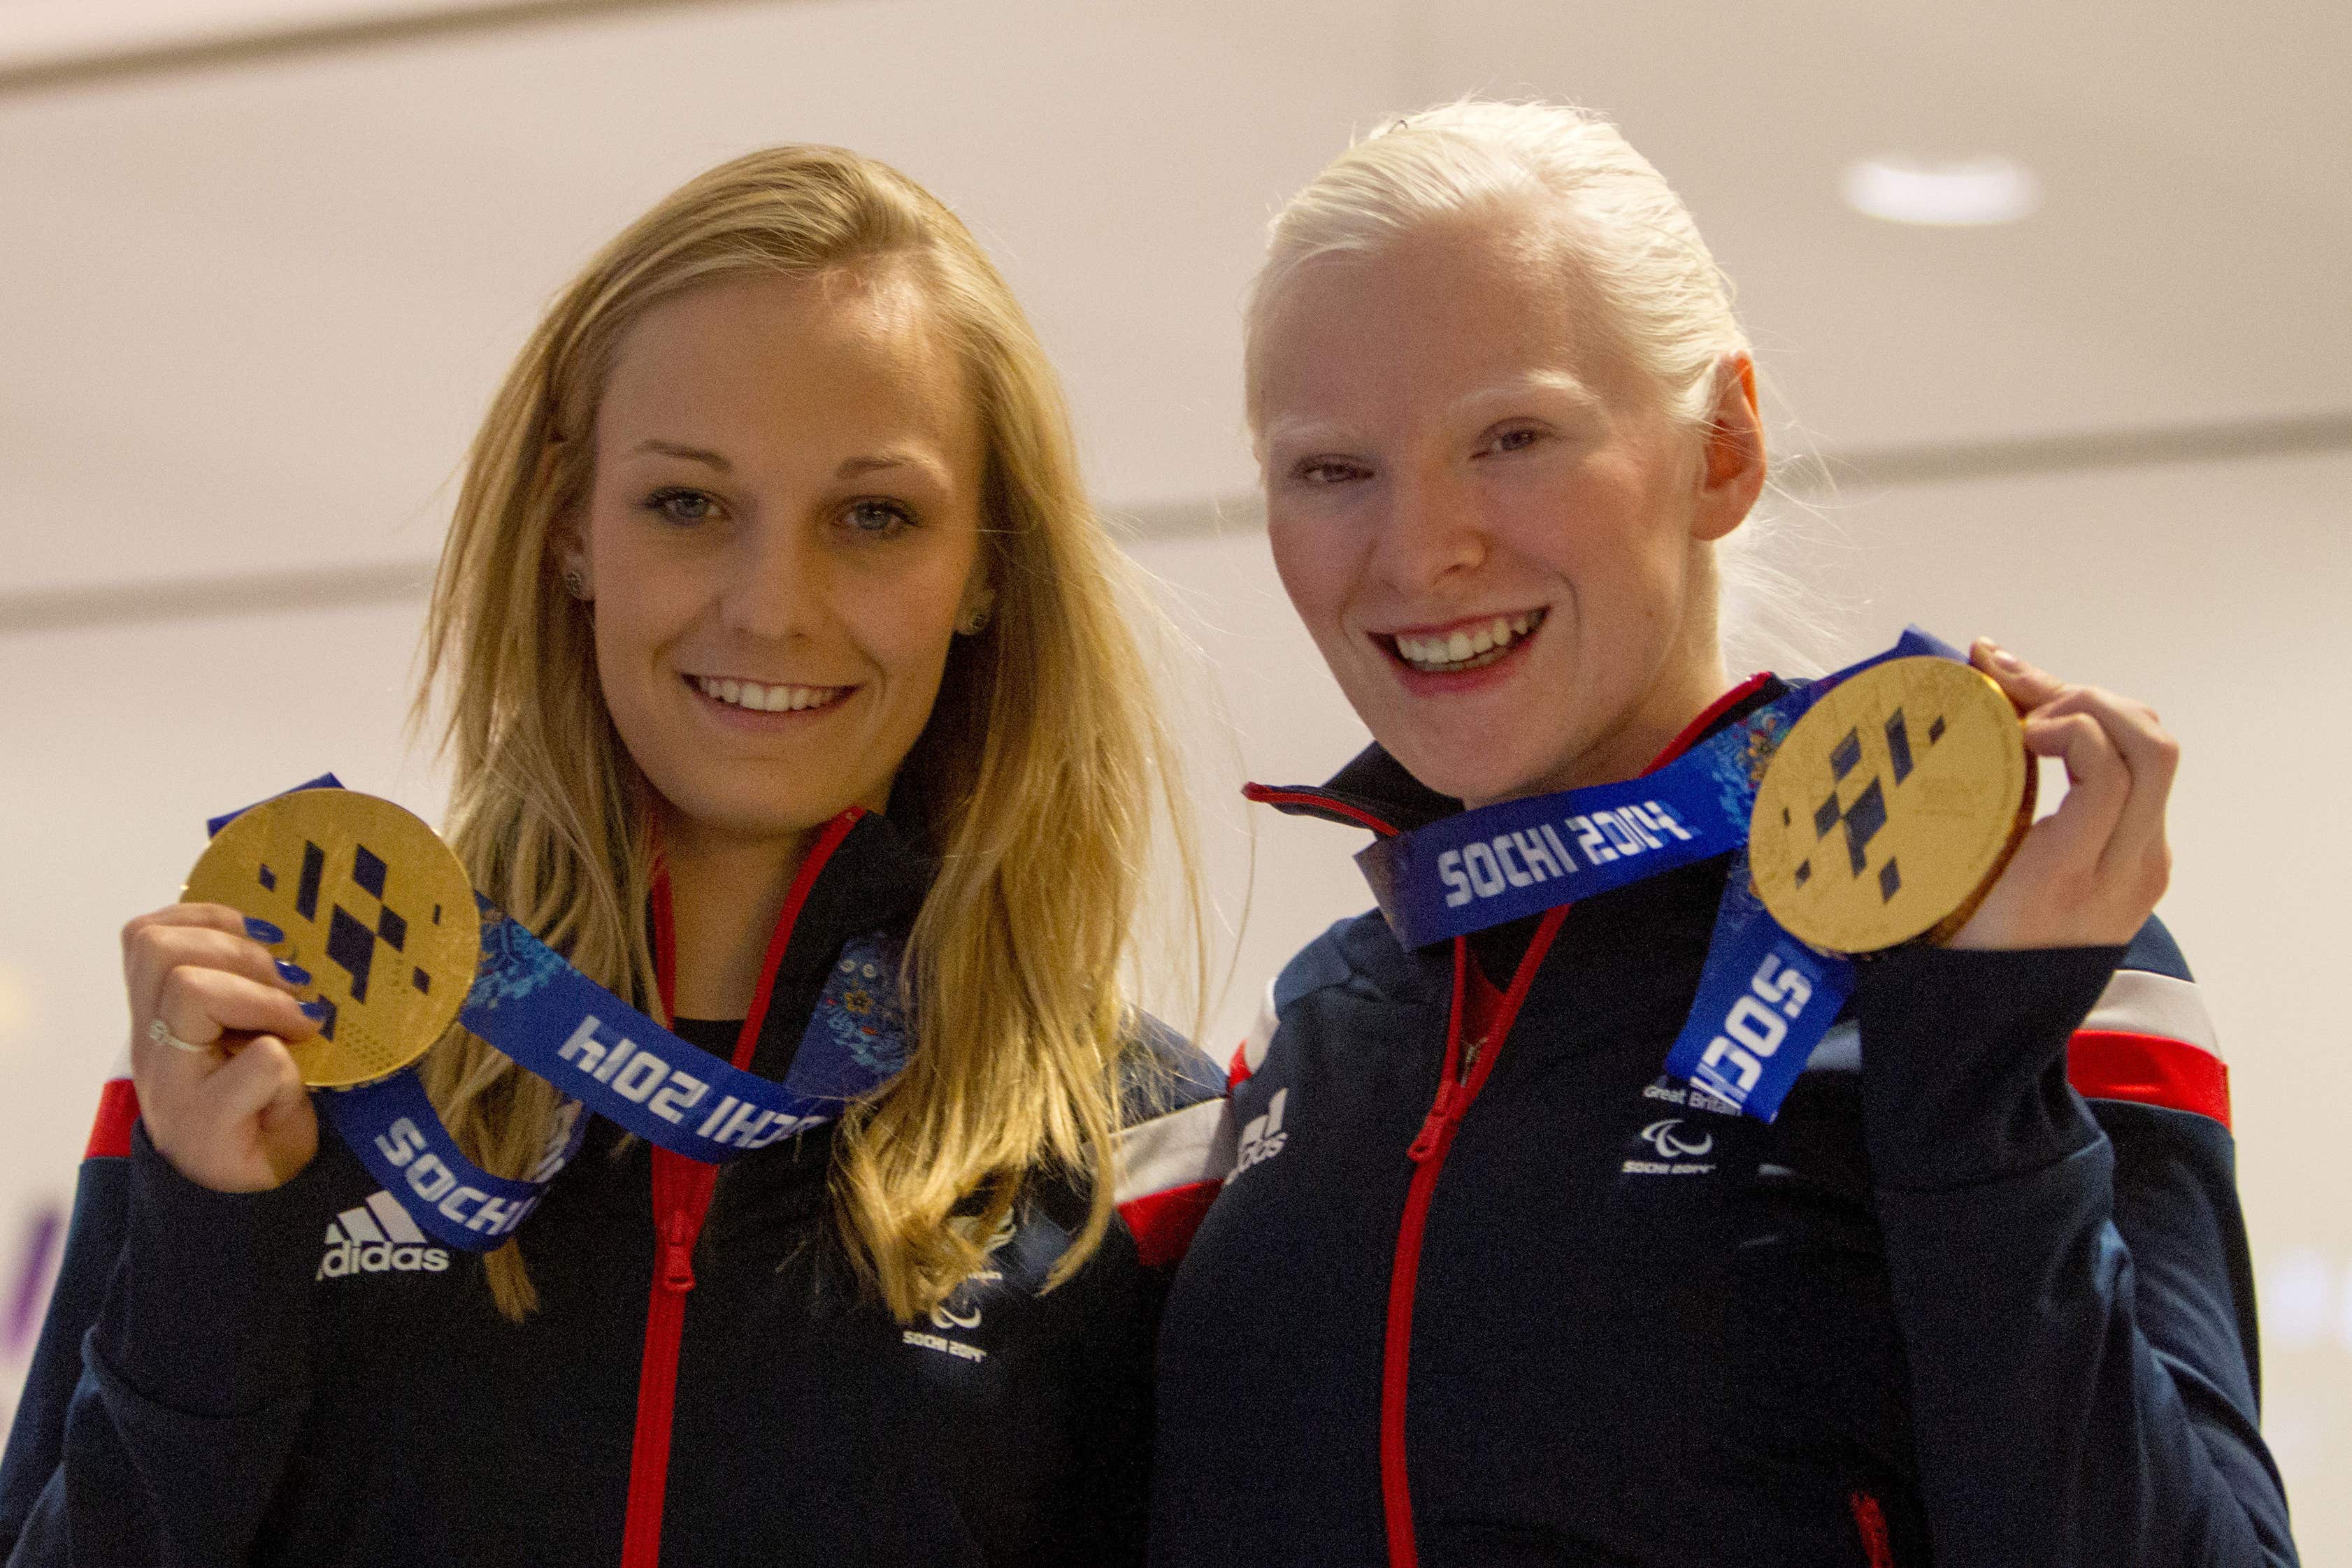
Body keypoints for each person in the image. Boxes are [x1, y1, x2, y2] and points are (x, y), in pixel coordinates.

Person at [0, 144, 1228, 1568]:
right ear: (568, 528)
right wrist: (217, 1248)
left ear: (987, 570)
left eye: (873, 517)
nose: (772, 609)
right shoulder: (291, 1063)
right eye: (687, 504)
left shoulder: (1138, 1143)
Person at [1153, 101, 2297, 1568]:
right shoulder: (1312, 1024)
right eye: (1329, 470)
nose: (1418, 548)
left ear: (1723, 449)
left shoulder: (1988, 939)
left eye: (1511, 438)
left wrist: (1977, 1078)